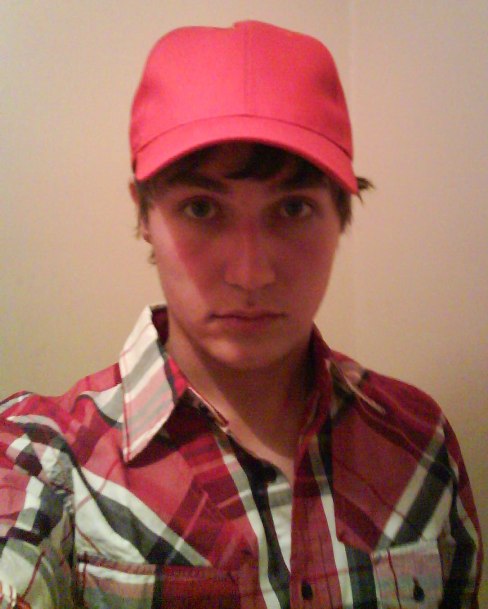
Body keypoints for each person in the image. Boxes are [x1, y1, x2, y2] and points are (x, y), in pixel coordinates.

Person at [0, 20, 482, 609]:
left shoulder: (417, 442)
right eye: (202, 209)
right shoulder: (45, 461)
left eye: (293, 208)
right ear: (144, 213)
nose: (250, 273)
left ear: (342, 213)